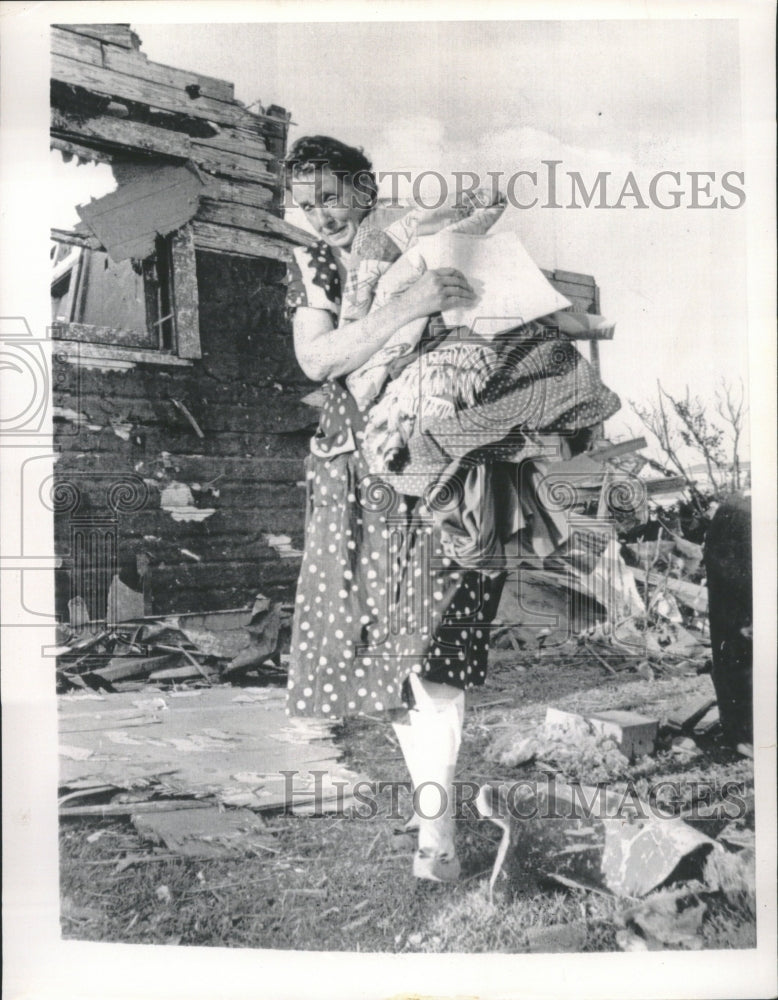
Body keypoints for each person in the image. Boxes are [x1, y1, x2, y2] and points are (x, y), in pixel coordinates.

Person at [284, 135, 503, 882]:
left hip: (431, 464)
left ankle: (436, 837)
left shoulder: (416, 236)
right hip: (357, 478)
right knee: (386, 657)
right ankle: (432, 807)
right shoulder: (313, 269)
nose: (319, 217)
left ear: (363, 189)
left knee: (435, 643)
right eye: (306, 205)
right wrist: (406, 308)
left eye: (330, 199)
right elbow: (318, 359)